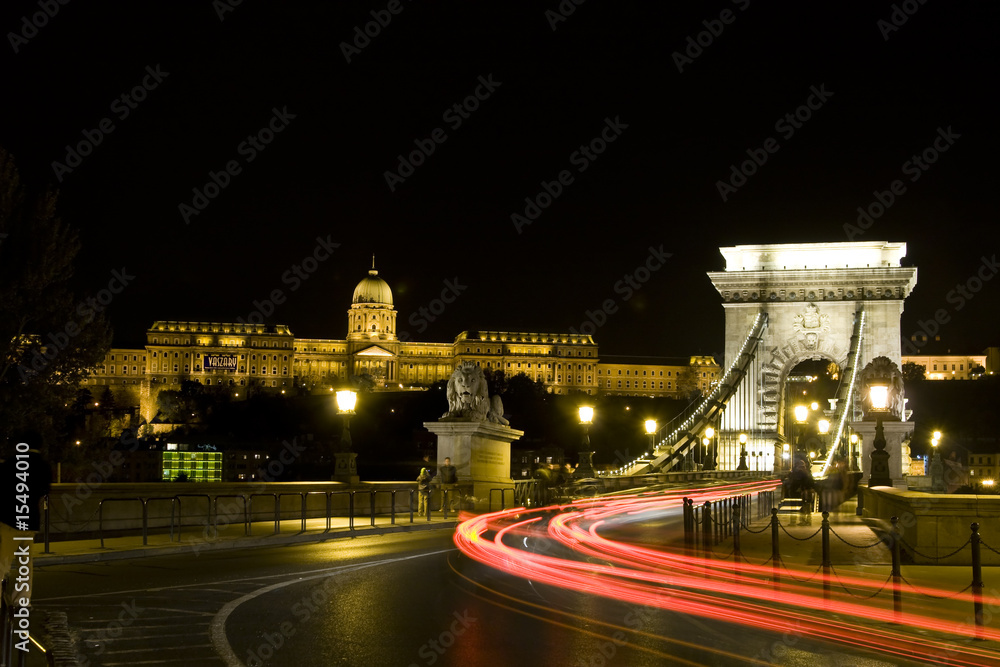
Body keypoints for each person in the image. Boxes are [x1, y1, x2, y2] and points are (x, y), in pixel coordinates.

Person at [1, 434, 52, 607]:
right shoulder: (43, 466)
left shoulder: (10, 463)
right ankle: (22, 600)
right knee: (25, 563)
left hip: (8, 520)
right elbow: (45, 491)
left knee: (3, 561)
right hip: (30, 520)